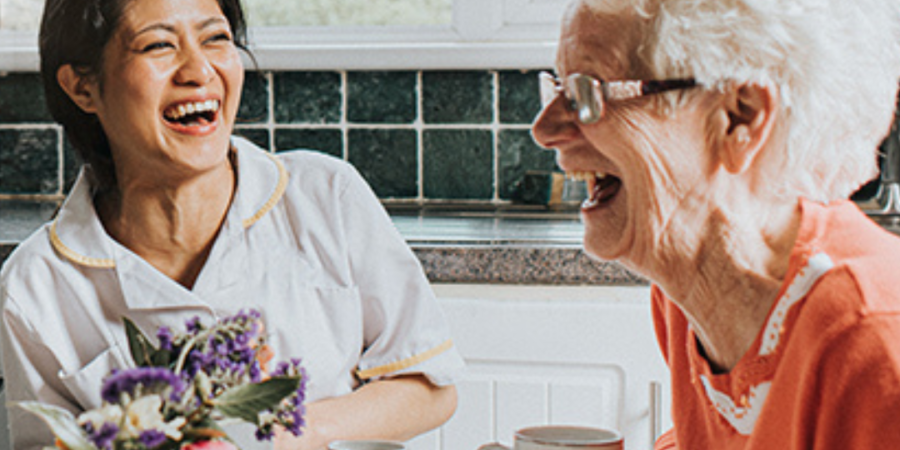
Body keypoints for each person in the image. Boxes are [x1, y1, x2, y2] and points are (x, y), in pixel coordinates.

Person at [0, 0, 464, 449]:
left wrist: (294, 433)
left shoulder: (325, 195)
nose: (199, 71)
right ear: (83, 86)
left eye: (216, 38)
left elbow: (429, 384)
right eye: (159, 45)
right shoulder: (34, 286)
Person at [532, 0, 900, 448]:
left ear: (739, 118)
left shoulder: (871, 342)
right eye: (555, 89)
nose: (544, 128)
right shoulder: (686, 292)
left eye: (586, 93)